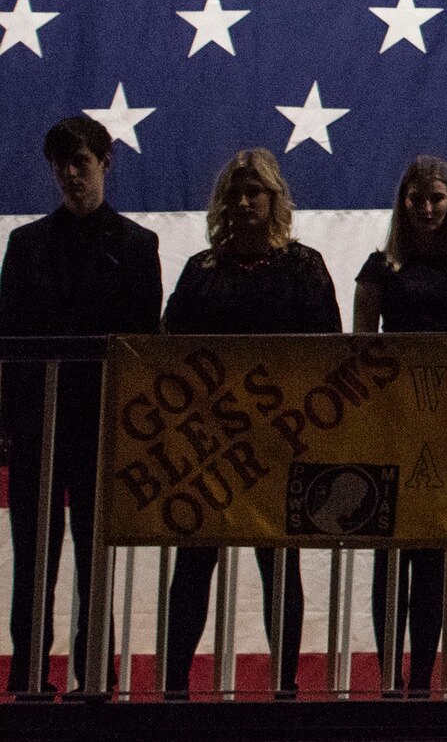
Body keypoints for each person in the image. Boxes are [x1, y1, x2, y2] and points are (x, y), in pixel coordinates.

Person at [161, 148, 341, 697]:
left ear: (273, 198)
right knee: (194, 566)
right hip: (210, 444)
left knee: (281, 567)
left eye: (255, 192)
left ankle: (283, 689)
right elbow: (166, 349)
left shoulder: (304, 266)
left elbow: (329, 352)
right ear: (222, 202)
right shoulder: (202, 270)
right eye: (236, 193)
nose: (244, 202)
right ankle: (172, 689)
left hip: (282, 441)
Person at [0, 116, 161, 694]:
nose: (71, 174)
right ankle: (27, 678)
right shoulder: (26, 245)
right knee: (33, 563)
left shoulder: (138, 246)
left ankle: (96, 676)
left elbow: (143, 347)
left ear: (105, 163)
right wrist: (7, 425)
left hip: (101, 428)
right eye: (60, 165)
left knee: (97, 561)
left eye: (81, 162)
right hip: (37, 428)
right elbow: (9, 345)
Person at [352, 156, 447, 696]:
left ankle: (422, 685)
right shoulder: (377, 268)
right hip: (391, 426)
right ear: (402, 203)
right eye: (417, 199)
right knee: (388, 562)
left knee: (432, 563)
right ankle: (391, 680)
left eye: (437, 199)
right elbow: (360, 353)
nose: (427, 209)